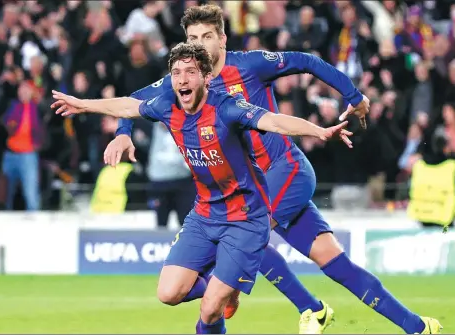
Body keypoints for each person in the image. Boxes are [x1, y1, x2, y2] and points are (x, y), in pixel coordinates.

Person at [105, 5, 442, 335]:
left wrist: (353, 96)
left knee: (245, 231)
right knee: (334, 262)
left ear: (222, 39)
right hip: (257, 185)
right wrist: (122, 133)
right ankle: (417, 326)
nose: (199, 44)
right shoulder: (184, 82)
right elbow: (131, 102)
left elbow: (306, 61)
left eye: (207, 36)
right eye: (192, 37)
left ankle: (304, 307)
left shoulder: (250, 64)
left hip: (286, 169)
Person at [51, 42, 353, 334]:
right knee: (168, 293)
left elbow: (274, 121)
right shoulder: (166, 104)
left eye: (191, 72)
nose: (182, 79)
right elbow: (129, 105)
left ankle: (224, 289)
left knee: (210, 309)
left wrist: (320, 131)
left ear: (206, 78)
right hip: (205, 213)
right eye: (177, 73)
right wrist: (83, 105)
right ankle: (226, 284)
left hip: (245, 217)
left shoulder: (227, 107)